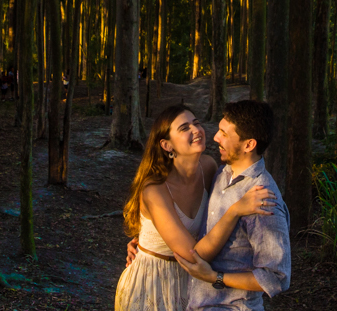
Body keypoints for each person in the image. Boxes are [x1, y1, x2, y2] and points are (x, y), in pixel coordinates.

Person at [115, 104, 276, 311]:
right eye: (184, 128)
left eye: (196, 123)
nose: (196, 130)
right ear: (166, 145)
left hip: (194, 285)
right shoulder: (154, 189)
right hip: (153, 282)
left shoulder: (209, 168)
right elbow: (193, 255)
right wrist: (235, 211)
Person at [176, 100, 291, 310]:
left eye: (224, 134)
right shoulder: (222, 173)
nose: (215, 137)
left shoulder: (263, 197)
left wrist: (216, 277)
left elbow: (277, 277)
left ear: (249, 145)